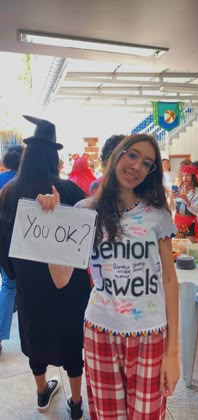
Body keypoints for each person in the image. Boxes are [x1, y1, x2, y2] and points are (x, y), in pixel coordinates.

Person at [37, 133, 180, 419]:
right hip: (100, 332)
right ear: (117, 155)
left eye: (147, 163)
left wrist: (173, 353)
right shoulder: (84, 211)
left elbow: (169, 280)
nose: (137, 166)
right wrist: (48, 221)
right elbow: (61, 278)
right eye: (132, 155)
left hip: (150, 335)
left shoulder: (158, 215)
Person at [0, 116, 91, 420]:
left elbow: (2, 243)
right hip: (69, 285)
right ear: (54, 157)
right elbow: (88, 235)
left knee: (35, 334)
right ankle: (76, 403)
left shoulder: (8, 192)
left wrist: (11, 274)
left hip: (30, 285)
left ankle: (42, 393)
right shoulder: (70, 190)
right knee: (70, 340)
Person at [0, 144, 24, 353]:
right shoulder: (24, 183)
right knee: (10, 285)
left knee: (8, 285)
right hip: (16, 243)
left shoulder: (1, 180)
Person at [169, 165, 198, 242]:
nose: (185, 177)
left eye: (188, 175)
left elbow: (195, 211)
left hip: (190, 223)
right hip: (177, 222)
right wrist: (171, 198)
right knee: (178, 248)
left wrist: (186, 199)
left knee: (189, 248)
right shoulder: (179, 189)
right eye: (183, 175)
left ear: (193, 177)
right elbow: (172, 208)